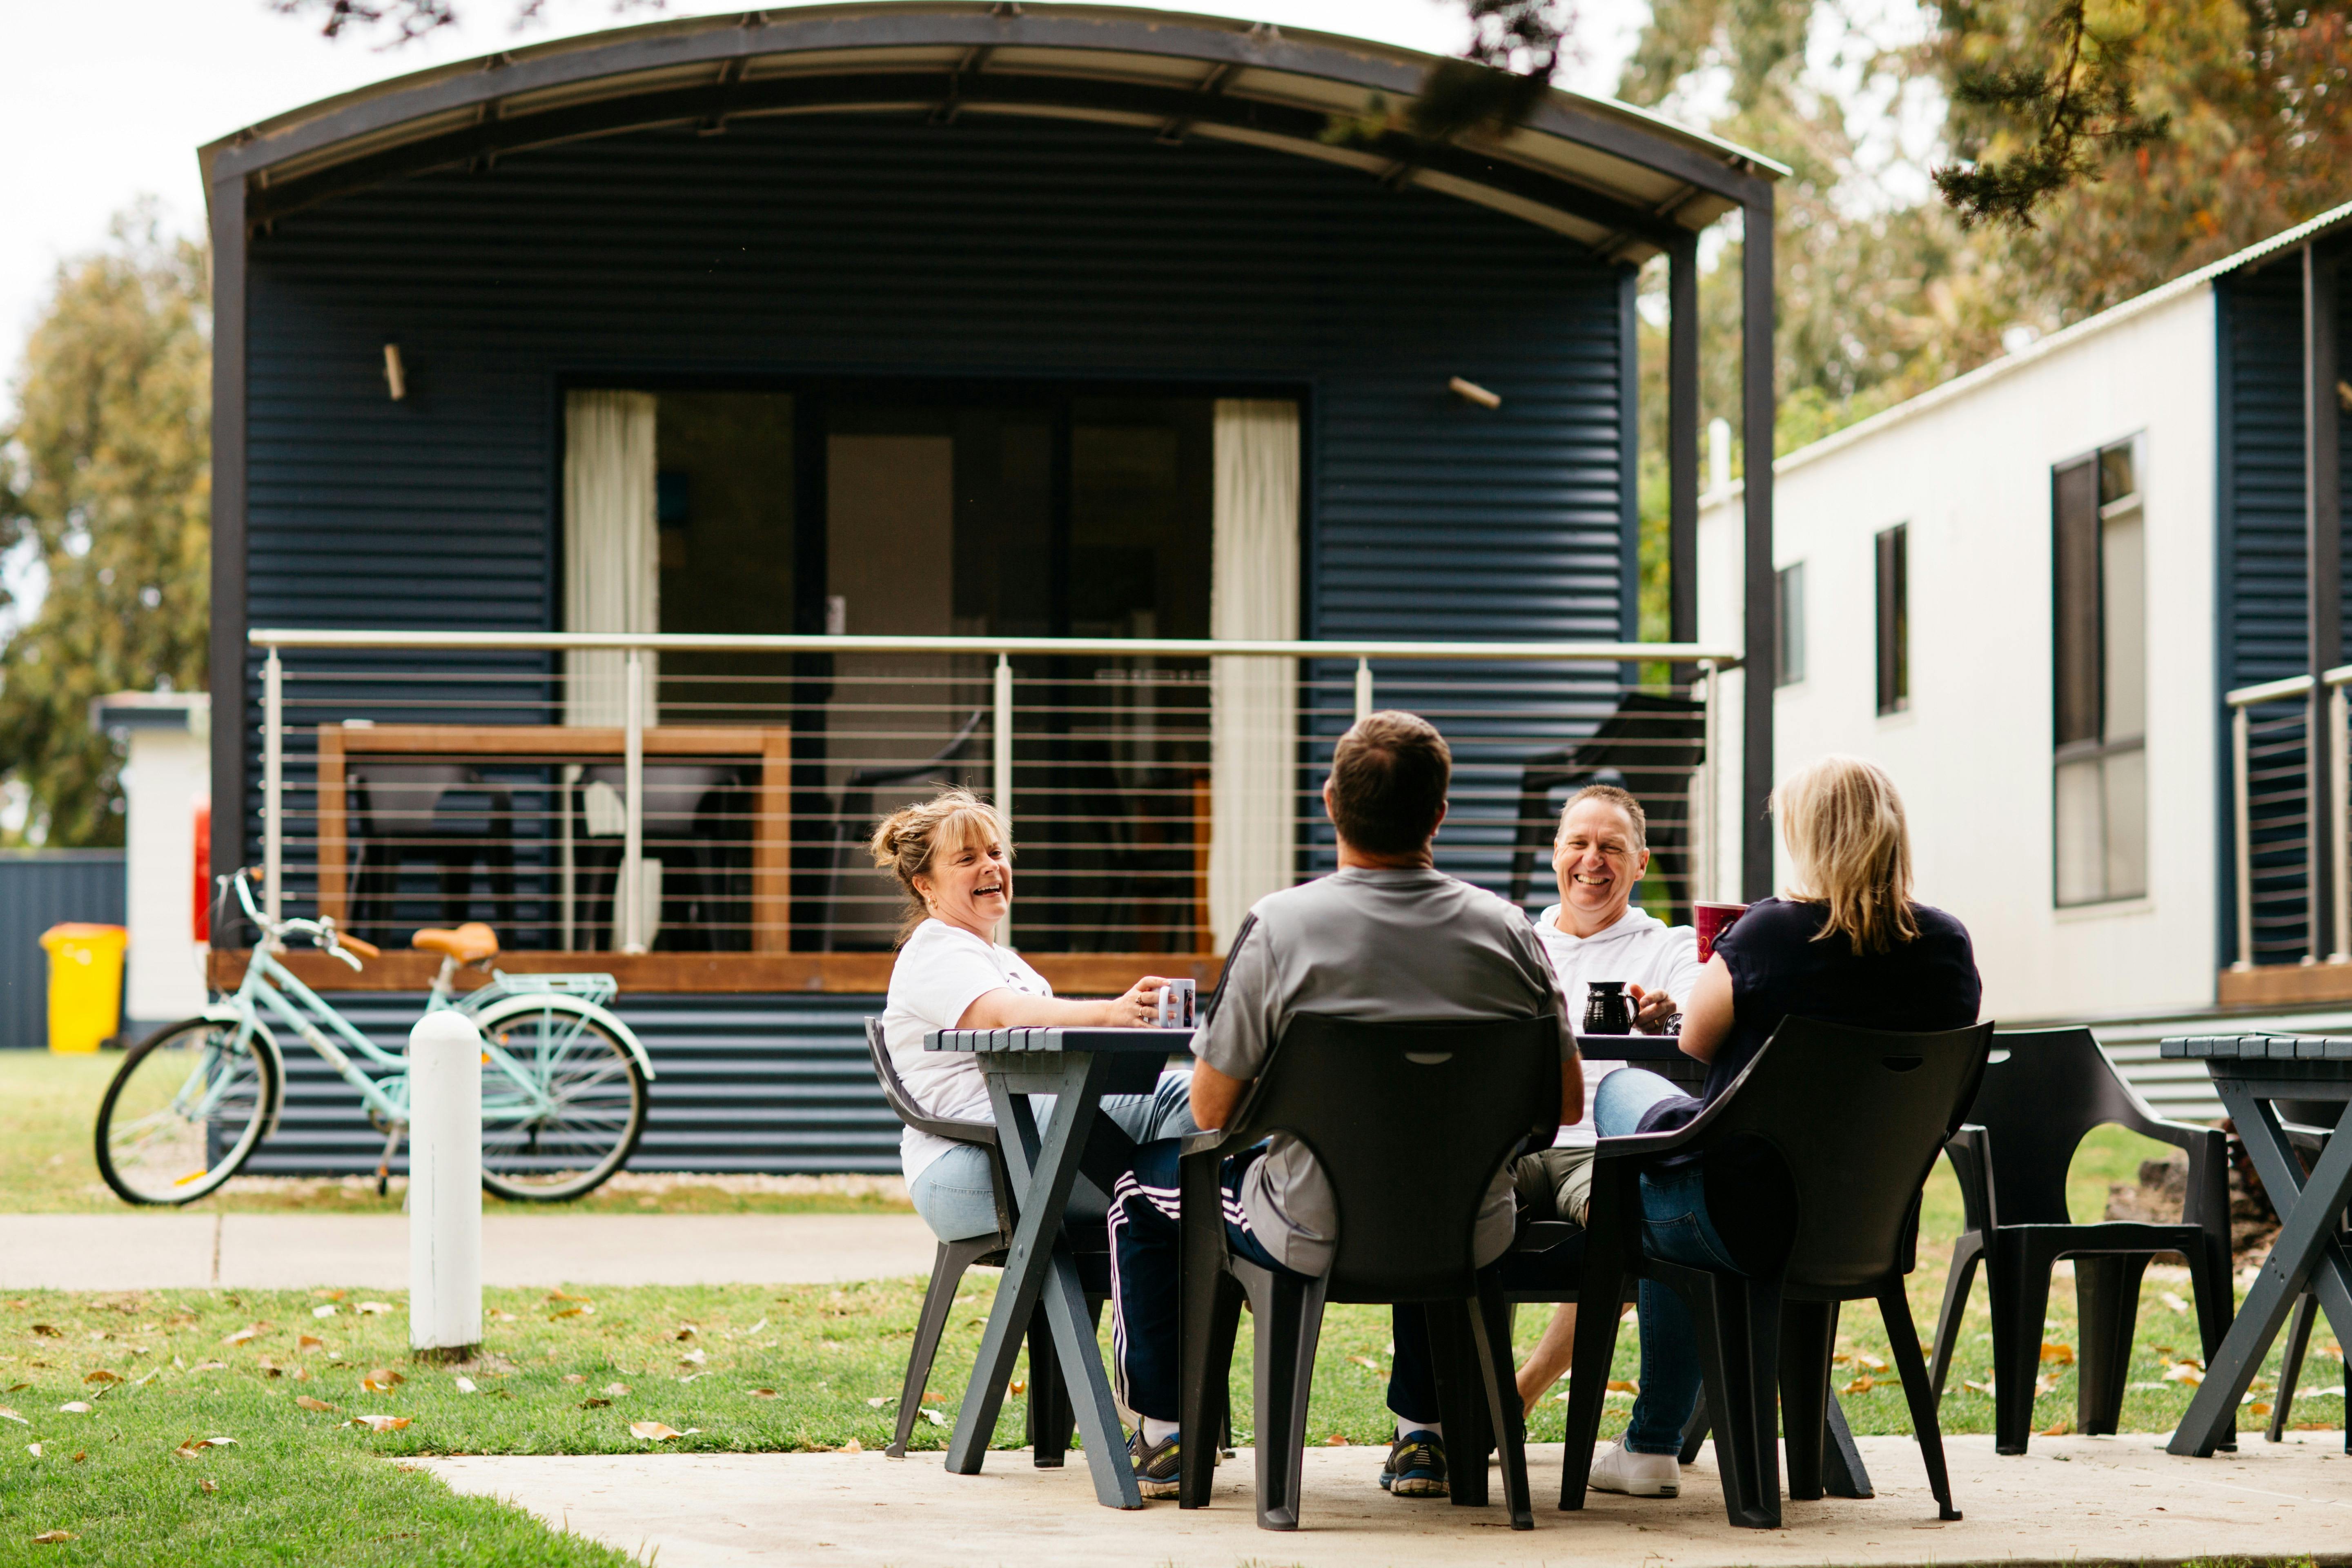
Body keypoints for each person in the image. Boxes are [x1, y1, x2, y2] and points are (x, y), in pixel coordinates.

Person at [1102, 712, 1581, 1501]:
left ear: (1331, 803)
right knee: (1425, 1168)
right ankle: (1425, 1437)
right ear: (1439, 813)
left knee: (1137, 1189)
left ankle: (1165, 1433)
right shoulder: (1509, 931)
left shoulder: (1280, 928)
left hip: (1308, 1226)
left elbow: (1211, 1109)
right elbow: (1561, 1106)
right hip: (1468, 1224)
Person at [1584, 754, 1981, 1498]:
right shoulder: (1948, 945)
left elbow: (1695, 1041)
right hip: (1871, 1225)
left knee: (1628, 1106)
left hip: (1740, 1221)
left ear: (1810, 837)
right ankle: (1660, 1445)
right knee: (1660, 1164)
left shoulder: (1769, 933)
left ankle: (1651, 1445)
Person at [872, 788, 1197, 1246]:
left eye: (995, 853)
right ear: (926, 885)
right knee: (1183, 1097)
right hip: (970, 1165)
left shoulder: (1005, 962)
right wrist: (1112, 1013)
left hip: (1026, 1145)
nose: (991, 866)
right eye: (966, 859)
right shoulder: (936, 949)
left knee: (1163, 1150)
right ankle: (1217, 1236)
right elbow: (1003, 1017)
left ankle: (1181, 1239)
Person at [1509, 784, 1702, 1413]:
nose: (1592, 859)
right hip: (1517, 1141)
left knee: (1632, 1224)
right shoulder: (1516, 944)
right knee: (1451, 1204)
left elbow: (1698, 1016)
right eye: (1579, 843)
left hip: (1606, 1151)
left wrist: (1668, 1017)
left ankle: (1519, 1393)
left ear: (1641, 863)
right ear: (1555, 853)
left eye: (1612, 848)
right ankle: (1453, 1405)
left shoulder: (1670, 948)